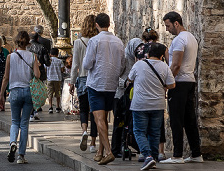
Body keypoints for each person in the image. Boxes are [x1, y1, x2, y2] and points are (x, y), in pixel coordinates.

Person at [82, 13, 125, 165]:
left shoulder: (94, 40)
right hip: (111, 84)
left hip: (96, 83)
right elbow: (122, 65)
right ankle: (100, 152)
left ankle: (108, 151)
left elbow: (87, 64)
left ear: (96, 25)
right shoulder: (118, 42)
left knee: (98, 119)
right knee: (104, 119)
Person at [161, 12, 203, 164]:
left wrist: (167, 84)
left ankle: (177, 155)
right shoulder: (191, 37)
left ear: (176, 23)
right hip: (190, 81)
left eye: (168, 26)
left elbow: (176, 65)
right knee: (189, 118)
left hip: (178, 83)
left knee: (176, 119)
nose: (167, 29)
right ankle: (196, 153)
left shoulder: (179, 40)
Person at [128, 43, 175, 170]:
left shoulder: (139, 64)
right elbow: (172, 85)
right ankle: (153, 158)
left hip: (140, 105)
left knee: (139, 131)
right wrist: (162, 87)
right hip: (157, 104)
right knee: (154, 133)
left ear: (148, 54)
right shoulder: (164, 67)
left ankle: (147, 156)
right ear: (161, 56)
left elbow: (130, 78)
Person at [0, 30, 41, 165]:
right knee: (24, 124)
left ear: (16, 41)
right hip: (28, 91)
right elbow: (37, 75)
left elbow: (6, 77)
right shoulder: (32, 56)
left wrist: (1, 95)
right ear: (28, 42)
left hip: (15, 91)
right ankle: (21, 156)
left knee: (14, 121)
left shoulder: (10, 57)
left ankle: (12, 142)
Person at [133, 27, 167, 162]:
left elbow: (135, 70)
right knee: (157, 127)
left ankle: (144, 152)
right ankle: (160, 151)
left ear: (143, 38)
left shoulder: (139, 49)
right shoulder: (161, 47)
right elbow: (168, 65)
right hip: (158, 90)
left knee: (141, 126)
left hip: (142, 92)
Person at [69, 15, 99, 153]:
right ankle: (93, 143)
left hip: (82, 78)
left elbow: (75, 64)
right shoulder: (97, 41)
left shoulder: (79, 42)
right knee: (94, 111)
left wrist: (71, 82)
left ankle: (84, 131)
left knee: (83, 109)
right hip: (95, 78)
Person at [46, 47, 64, 113]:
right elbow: (62, 70)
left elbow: (45, 69)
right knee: (57, 93)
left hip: (50, 78)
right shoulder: (60, 61)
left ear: (50, 54)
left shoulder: (48, 61)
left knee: (50, 93)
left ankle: (50, 107)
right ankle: (57, 107)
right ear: (57, 54)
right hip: (57, 79)